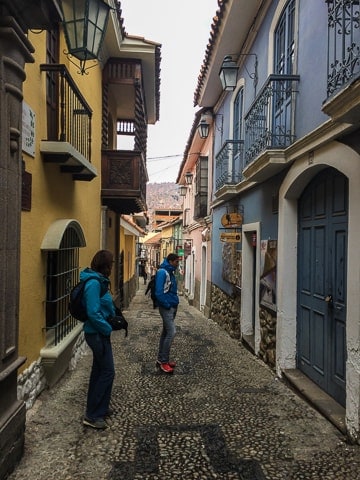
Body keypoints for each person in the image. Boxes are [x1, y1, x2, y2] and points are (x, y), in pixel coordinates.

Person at [81, 249, 116, 429]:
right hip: (96, 334)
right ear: (105, 264)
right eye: (111, 263)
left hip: (99, 333)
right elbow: (93, 312)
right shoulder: (94, 283)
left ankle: (98, 408)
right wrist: (107, 327)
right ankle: (93, 415)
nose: (112, 266)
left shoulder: (97, 280)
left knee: (99, 372)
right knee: (108, 372)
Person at [154, 253, 180, 373]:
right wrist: (167, 305)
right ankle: (164, 362)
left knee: (166, 333)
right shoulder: (162, 272)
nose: (177, 264)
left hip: (171, 305)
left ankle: (161, 359)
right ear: (170, 261)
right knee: (171, 332)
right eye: (176, 262)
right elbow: (159, 293)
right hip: (167, 307)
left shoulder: (169, 272)